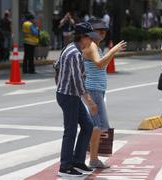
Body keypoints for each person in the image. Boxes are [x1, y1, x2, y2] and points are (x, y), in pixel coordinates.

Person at [54, 22, 100, 177]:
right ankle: (65, 166)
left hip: (69, 94)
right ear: (83, 37)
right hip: (68, 95)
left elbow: (57, 66)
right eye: (90, 37)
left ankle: (77, 161)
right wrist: (90, 102)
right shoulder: (74, 53)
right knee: (71, 130)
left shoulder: (72, 48)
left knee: (87, 125)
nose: (92, 41)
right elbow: (77, 81)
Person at [83, 18, 126, 169]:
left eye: (104, 30)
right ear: (91, 31)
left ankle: (91, 158)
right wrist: (113, 50)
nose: (102, 33)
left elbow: (102, 65)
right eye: (99, 30)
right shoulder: (92, 46)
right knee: (98, 125)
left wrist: (111, 53)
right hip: (93, 89)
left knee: (96, 126)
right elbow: (100, 64)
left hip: (96, 89)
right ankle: (91, 158)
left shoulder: (96, 46)